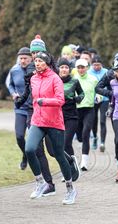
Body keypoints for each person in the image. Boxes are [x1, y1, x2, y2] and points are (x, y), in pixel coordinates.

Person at [25, 51, 77, 205]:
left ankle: (70, 189)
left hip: (54, 122)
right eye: (36, 61)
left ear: (47, 63)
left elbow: (61, 100)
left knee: (59, 155)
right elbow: (34, 99)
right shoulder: (33, 78)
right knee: (29, 149)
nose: (37, 63)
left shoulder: (55, 78)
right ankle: (40, 182)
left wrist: (44, 101)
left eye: (40, 61)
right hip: (38, 121)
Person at [15, 35, 56, 196]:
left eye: (37, 53)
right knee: (36, 149)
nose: (34, 57)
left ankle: (69, 162)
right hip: (34, 112)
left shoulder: (53, 68)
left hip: (52, 112)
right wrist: (20, 100)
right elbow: (27, 90)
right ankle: (48, 184)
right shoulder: (31, 70)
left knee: (54, 151)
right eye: (33, 53)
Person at [58, 58, 84, 181]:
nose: (64, 69)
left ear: (69, 69)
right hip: (57, 117)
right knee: (60, 145)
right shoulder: (55, 81)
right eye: (62, 67)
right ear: (58, 69)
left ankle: (72, 166)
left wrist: (77, 99)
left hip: (72, 116)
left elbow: (82, 94)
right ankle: (68, 169)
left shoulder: (74, 81)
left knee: (66, 142)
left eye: (66, 67)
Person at [8, 47, 32, 170]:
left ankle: (33, 160)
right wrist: (13, 93)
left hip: (33, 109)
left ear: (31, 58)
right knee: (19, 137)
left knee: (34, 140)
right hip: (20, 108)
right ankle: (25, 155)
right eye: (21, 58)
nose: (23, 61)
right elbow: (10, 84)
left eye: (25, 58)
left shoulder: (34, 70)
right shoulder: (14, 70)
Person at [74, 59, 98, 171]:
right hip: (77, 110)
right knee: (79, 136)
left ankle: (84, 162)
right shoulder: (73, 79)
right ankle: (82, 143)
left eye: (82, 67)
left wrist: (99, 97)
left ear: (87, 67)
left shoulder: (93, 79)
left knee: (85, 133)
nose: (81, 69)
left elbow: (99, 92)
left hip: (89, 109)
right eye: (78, 67)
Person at [88, 55, 109, 151]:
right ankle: (95, 137)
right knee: (94, 120)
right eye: (95, 65)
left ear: (101, 64)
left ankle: (102, 142)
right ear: (92, 65)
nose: (96, 67)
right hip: (93, 99)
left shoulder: (106, 72)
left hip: (104, 99)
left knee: (103, 121)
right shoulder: (88, 72)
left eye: (98, 65)